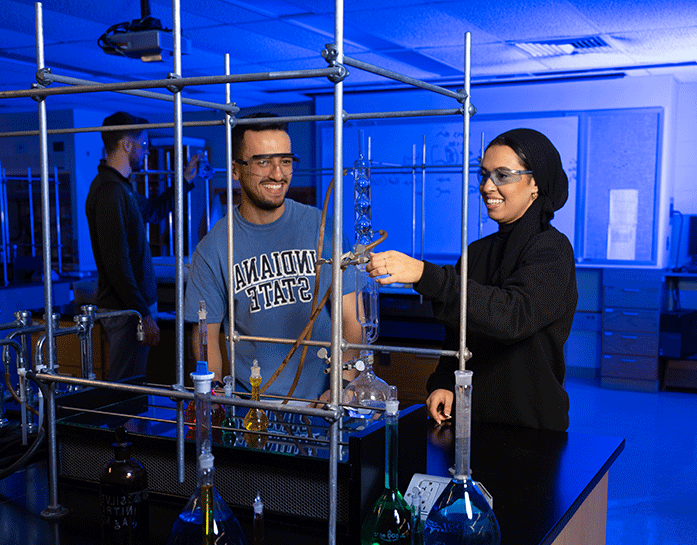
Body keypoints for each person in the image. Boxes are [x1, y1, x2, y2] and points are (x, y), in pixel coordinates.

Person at [367, 128, 577, 431]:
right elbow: (458, 336)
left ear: (535, 184)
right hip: (469, 420)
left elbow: (511, 316)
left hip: (531, 425)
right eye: (484, 174)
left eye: (502, 175)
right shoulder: (476, 252)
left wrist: (426, 275)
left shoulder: (552, 250)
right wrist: (442, 382)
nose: (487, 186)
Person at [185, 113, 362, 402]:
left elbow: (352, 320)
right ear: (235, 170)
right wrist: (213, 398)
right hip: (255, 412)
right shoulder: (214, 247)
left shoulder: (324, 228)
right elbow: (206, 339)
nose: (278, 174)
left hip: (325, 404)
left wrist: (342, 384)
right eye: (263, 162)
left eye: (285, 161)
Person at [85, 111, 197, 381]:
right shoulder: (110, 192)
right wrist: (143, 313)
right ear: (126, 144)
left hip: (132, 309)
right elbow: (116, 263)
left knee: (131, 381)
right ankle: (122, 425)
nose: (146, 152)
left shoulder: (121, 188)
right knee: (126, 386)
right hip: (126, 311)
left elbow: (155, 212)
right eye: (143, 145)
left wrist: (184, 180)